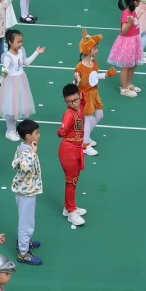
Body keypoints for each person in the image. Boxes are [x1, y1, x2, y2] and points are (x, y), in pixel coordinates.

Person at [0, 28, 44, 140]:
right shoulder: (7, 56)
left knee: (16, 106)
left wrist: (36, 53)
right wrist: (4, 72)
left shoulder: (21, 51)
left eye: (21, 41)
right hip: (11, 83)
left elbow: (26, 62)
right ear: (10, 42)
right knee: (10, 106)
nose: (20, 44)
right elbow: (4, 72)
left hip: (21, 81)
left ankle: (13, 129)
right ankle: (9, 130)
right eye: (18, 42)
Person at [11, 119, 42, 265]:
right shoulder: (27, 151)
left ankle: (24, 241)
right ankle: (23, 253)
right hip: (26, 192)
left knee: (26, 220)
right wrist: (33, 153)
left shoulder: (22, 147)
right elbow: (25, 168)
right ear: (28, 136)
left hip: (25, 189)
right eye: (36, 133)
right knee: (26, 222)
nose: (39, 135)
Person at [57, 83, 87, 226]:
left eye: (76, 100)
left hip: (76, 148)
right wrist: (61, 131)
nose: (74, 103)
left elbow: (84, 95)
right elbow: (60, 132)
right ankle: (71, 211)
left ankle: (68, 207)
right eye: (70, 102)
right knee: (71, 182)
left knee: (74, 181)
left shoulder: (80, 106)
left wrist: (77, 82)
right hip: (68, 150)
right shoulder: (69, 115)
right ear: (65, 101)